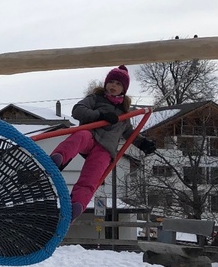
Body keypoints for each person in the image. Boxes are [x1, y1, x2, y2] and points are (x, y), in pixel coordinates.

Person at [49, 65, 156, 219]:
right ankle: (58, 158)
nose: (114, 86)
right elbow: (77, 110)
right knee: (80, 136)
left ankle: (76, 205)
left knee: (92, 177)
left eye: (118, 84)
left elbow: (129, 133)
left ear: (123, 90)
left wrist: (143, 144)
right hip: (90, 137)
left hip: (105, 149)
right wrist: (99, 115)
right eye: (111, 81)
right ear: (106, 83)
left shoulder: (124, 114)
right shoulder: (95, 99)